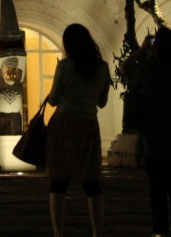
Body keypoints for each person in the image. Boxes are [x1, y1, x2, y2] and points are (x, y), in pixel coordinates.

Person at [46, 23, 111, 237]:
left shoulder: (65, 66)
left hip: (64, 124)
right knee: (92, 184)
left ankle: (58, 231)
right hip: (89, 125)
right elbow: (101, 102)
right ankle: (97, 231)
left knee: (59, 182)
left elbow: (54, 100)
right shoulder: (102, 68)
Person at [132, 28, 171, 236]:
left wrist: (143, 49)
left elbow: (126, 69)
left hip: (154, 135)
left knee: (157, 188)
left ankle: (160, 230)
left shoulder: (149, 71)